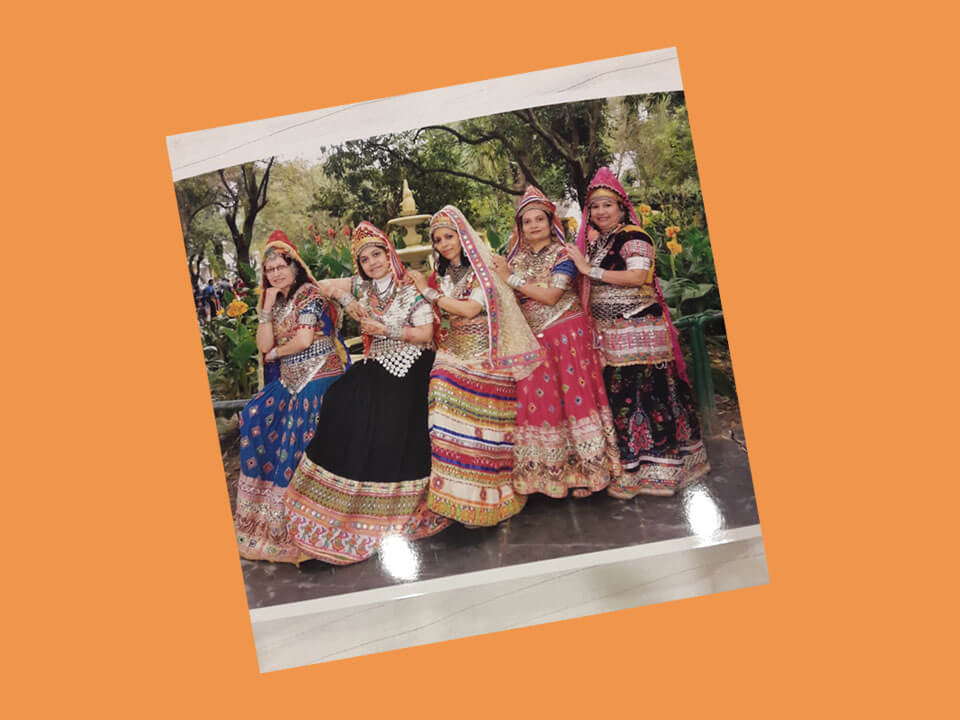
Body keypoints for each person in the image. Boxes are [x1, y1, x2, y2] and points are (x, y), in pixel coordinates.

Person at [282, 222, 451, 565]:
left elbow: (425, 334)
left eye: (377, 254)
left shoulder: (409, 286)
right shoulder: (363, 287)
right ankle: (338, 501)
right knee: (339, 400)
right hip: (379, 364)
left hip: (412, 363)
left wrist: (384, 329)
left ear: (389, 255)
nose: (372, 262)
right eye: (365, 259)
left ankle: (392, 501)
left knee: (385, 416)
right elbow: (322, 285)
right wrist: (348, 301)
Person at [566, 168, 710, 497]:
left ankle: (659, 472)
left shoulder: (634, 237)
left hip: (640, 332)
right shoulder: (600, 241)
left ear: (621, 208)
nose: (601, 211)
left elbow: (638, 278)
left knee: (646, 398)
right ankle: (630, 471)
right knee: (621, 401)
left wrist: (589, 269)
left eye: (607, 205)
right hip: (611, 334)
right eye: (595, 206)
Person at [410, 206, 542, 527]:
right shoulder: (442, 275)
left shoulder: (483, 271)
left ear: (462, 236)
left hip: (486, 356)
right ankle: (452, 498)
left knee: (481, 428)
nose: (444, 244)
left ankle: (484, 499)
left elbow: (469, 310)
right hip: (452, 355)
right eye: (438, 240)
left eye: (449, 236)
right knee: (441, 414)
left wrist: (427, 292)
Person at [490, 186, 621, 499]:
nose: (533, 225)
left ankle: (589, 473)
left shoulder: (564, 254)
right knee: (541, 403)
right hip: (533, 341)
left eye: (540, 219)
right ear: (520, 228)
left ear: (551, 223)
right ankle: (548, 475)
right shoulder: (514, 259)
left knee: (576, 400)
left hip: (567, 336)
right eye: (527, 221)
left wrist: (512, 279)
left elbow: (551, 296)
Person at [234, 230, 349, 562]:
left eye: (280, 267)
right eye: (269, 270)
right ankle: (265, 514)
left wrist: (275, 354)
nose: (275, 273)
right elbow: (263, 345)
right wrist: (267, 307)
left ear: (294, 266)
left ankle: (309, 521)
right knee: (254, 415)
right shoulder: (278, 302)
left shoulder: (308, 294)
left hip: (320, 374)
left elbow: (302, 341)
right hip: (291, 379)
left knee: (298, 428)